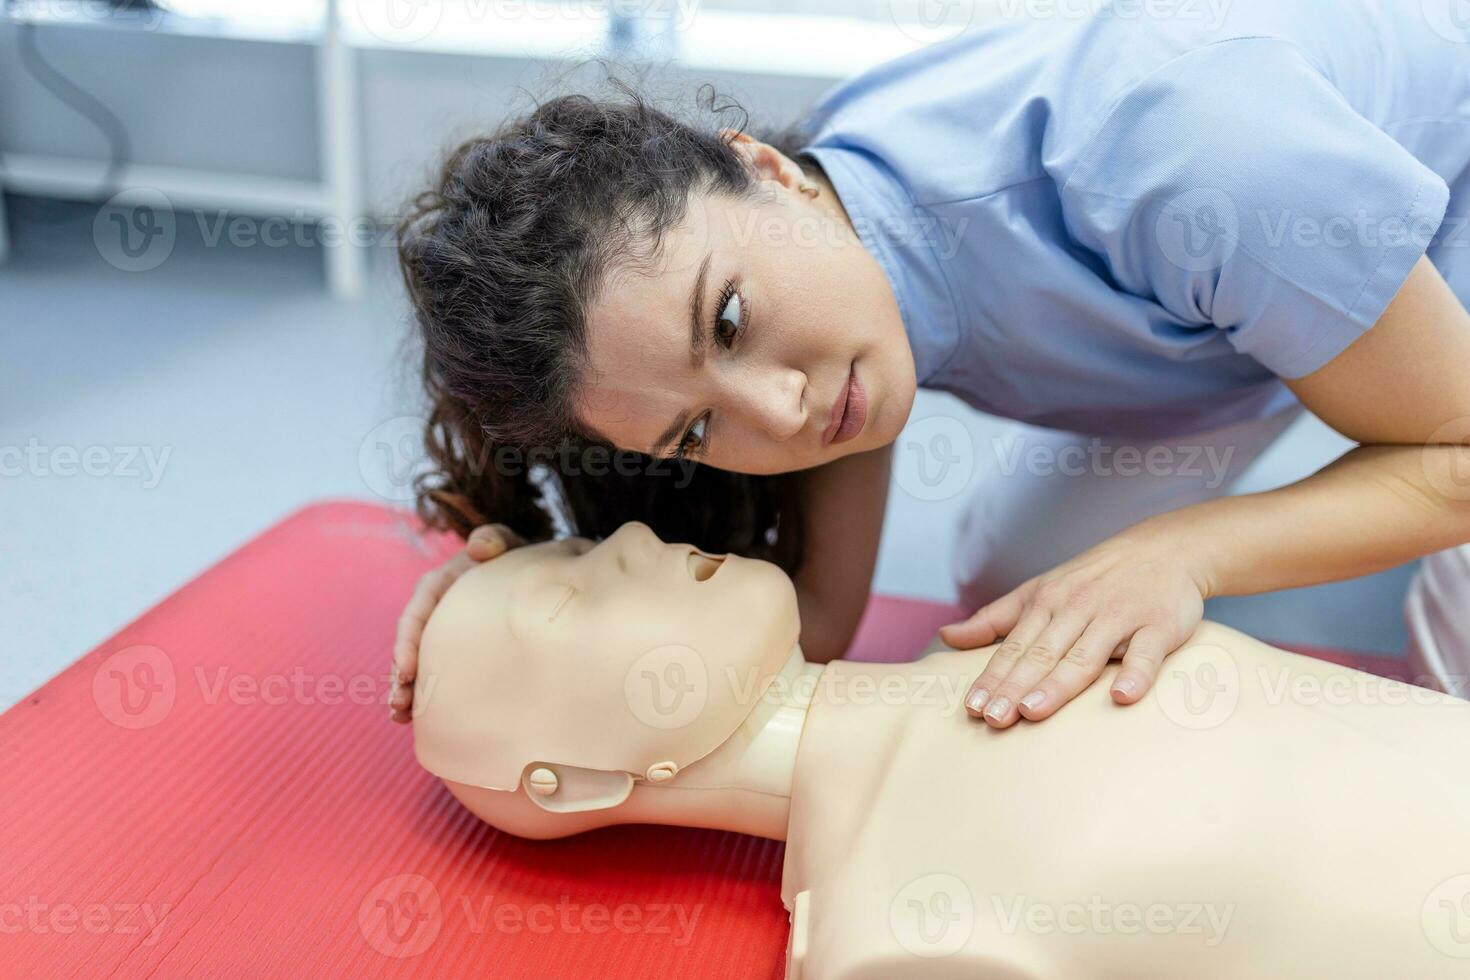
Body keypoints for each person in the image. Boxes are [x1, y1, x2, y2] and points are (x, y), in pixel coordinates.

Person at [390, 0, 1470, 732]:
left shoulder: (1197, 154)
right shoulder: (817, 241)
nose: (784, 410)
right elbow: (814, 623)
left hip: (1423, 186)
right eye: (696, 431)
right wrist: (526, 597)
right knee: (1019, 597)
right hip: (1228, 307)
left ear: (762, 169)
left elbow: (1458, 449)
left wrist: (1186, 554)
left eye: (726, 320)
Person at [412, 523, 1470, 978]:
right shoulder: (899, 927)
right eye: (568, 594)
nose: (633, 542)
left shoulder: (1007, 632)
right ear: (577, 780)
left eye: (589, 545)